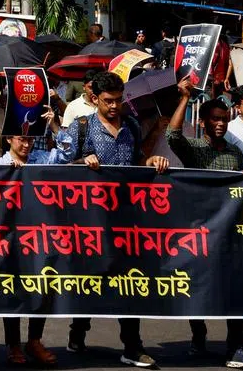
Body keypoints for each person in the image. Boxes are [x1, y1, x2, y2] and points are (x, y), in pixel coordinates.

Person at [65, 70, 167, 369]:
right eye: (108, 101)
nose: (114, 106)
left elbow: (137, 160)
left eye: (118, 100)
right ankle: (78, 330)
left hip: (127, 219)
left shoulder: (132, 125)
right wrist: (80, 162)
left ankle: (132, 346)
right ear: (94, 98)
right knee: (91, 280)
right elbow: (58, 164)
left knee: (129, 282)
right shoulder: (81, 127)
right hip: (91, 220)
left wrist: (150, 161)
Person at [163, 80, 243, 369]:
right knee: (199, 286)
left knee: (234, 288)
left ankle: (236, 346)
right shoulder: (193, 149)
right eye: (214, 119)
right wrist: (184, 98)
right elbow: (172, 135)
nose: (220, 124)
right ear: (203, 122)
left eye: (224, 119)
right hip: (198, 231)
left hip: (229, 232)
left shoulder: (235, 154)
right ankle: (198, 333)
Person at [0, 108, 70, 366]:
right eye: (20, 139)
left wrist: (56, 125)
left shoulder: (41, 160)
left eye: (29, 139)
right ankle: (13, 345)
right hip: (10, 241)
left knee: (43, 287)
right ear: (8, 140)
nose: (26, 144)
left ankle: (34, 341)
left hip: (41, 237)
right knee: (11, 290)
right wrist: (8, 177)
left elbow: (68, 154)